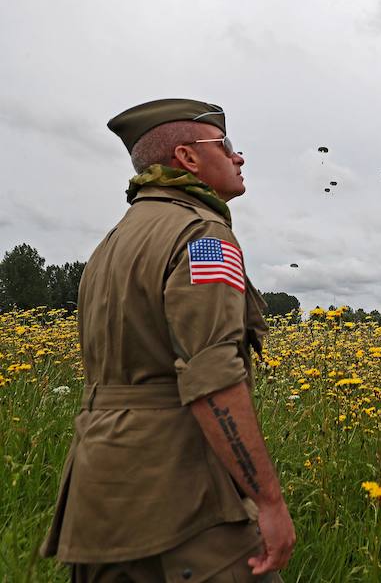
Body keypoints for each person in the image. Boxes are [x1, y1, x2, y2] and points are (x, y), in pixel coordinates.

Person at [40, 98, 296, 582]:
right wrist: (269, 501)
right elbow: (212, 374)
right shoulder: (204, 236)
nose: (239, 157)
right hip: (183, 497)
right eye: (227, 146)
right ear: (188, 157)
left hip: (99, 492)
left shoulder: (114, 241)